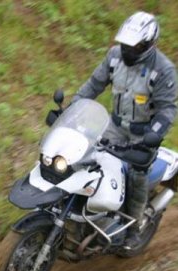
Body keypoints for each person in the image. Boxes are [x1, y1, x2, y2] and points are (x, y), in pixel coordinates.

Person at [72, 11, 177, 249]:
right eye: (125, 44)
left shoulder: (164, 70)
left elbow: (167, 110)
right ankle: (83, 209)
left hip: (144, 134)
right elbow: (94, 85)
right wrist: (74, 106)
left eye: (135, 46)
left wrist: (155, 134)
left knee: (136, 174)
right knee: (84, 154)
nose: (128, 50)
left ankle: (133, 227)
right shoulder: (114, 57)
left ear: (149, 44)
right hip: (115, 125)